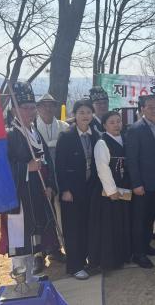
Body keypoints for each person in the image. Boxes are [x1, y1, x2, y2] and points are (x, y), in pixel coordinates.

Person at [0, 81, 59, 283]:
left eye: (32, 108)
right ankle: (20, 279)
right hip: (20, 195)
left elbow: (47, 162)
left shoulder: (35, 132)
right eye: (25, 108)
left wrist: (50, 185)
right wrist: (26, 167)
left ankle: (32, 275)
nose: (30, 112)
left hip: (37, 192)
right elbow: (3, 166)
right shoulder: (9, 134)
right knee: (20, 236)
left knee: (34, 235)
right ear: (14, 110)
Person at [56, 98, 99, 279]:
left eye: (88, 112)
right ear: (74, 115)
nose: (85, 116)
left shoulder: (96, 135)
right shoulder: (66, 136)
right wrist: (65, 189)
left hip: (90, 189)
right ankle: (75, 265)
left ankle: (89, 260)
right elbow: (59, 165)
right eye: (81, 112)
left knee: (89, 225)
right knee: (73, 228)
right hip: (72, 191)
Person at [126, 94, 155, 268]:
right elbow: (132, 159)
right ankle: (138, 253)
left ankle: (146, 246)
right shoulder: (135, 129)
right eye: (150, 107)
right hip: (142, 184)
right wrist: (136, 184)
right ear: (142, 109)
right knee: (139, 220)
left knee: (150, 217)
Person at [89, 111, 132, 270]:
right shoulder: (102, 143)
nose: (116, 125)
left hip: (124, 188)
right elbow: (102, 167)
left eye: (118, 121)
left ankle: (122, 255)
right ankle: (108, 260)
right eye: (112, 122)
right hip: (108, 192)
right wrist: (111, 190)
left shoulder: (125, 139)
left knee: (122, 222)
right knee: (109, 225)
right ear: (104, 125)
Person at [34, 93, 68, 270]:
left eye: (51, 105)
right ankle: (39, 253)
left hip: (62, 177)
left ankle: (59, 247)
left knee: (62, 213)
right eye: (44, 105)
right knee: (43, 216)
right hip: (42, 179)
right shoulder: (32, 129)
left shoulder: (64, 127)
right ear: (38, 108)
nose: (48, 108)